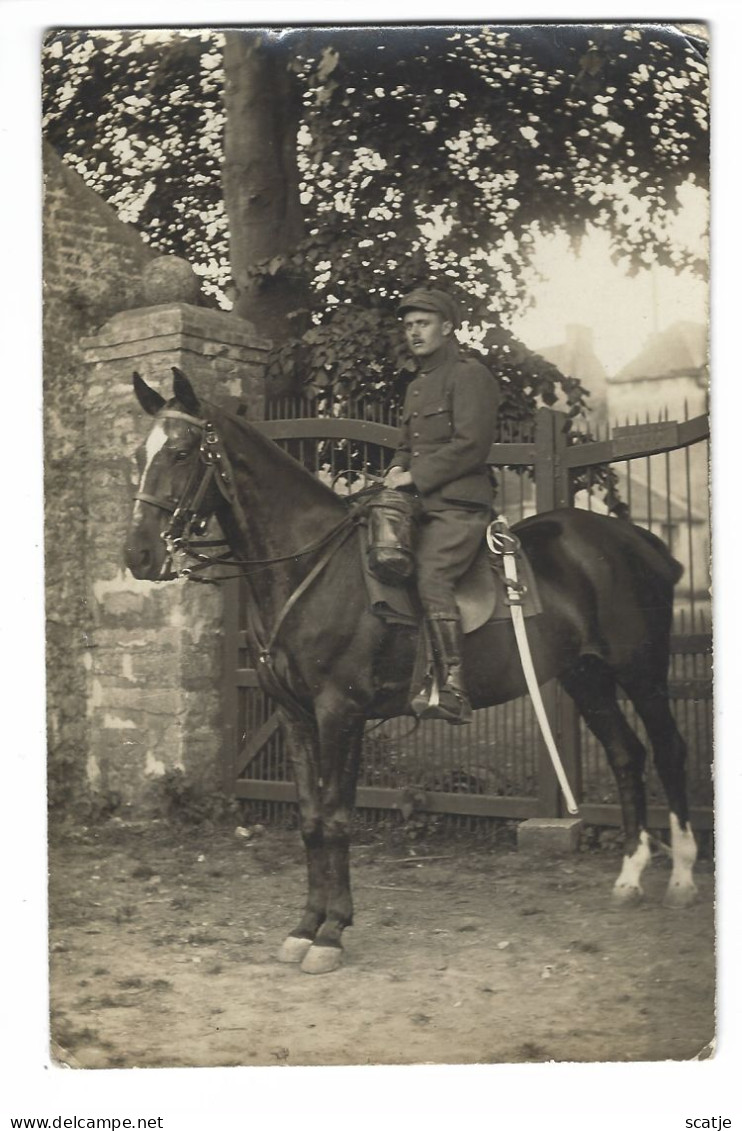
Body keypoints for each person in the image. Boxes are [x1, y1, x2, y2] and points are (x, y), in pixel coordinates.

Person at [385, 286, 501, 723]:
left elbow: (471, 445)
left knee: (431, 574)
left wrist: (415, 476)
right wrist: (393, 473)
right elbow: (405, 445)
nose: (414, 333)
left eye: (423, 324)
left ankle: (452, 685)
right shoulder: (418, 385)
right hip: (420, 505)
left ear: (447, 327)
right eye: (409, 326)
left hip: (458, 506)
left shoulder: (469, 375)